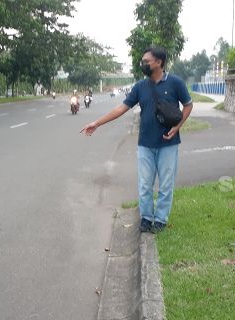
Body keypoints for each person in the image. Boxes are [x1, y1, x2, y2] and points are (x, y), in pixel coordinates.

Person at [80, 47, 193, 233]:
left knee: (166, 184)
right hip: (145, 144)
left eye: (146, 61)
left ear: (159, 62)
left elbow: (188, 105)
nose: (143, 64)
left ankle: (161, 220)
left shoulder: (175, 83)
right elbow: (121, 108)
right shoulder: (140, 86)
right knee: (144, 184)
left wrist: (177, 126)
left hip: (168, 144)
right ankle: (147, 218)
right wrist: (97, 123)